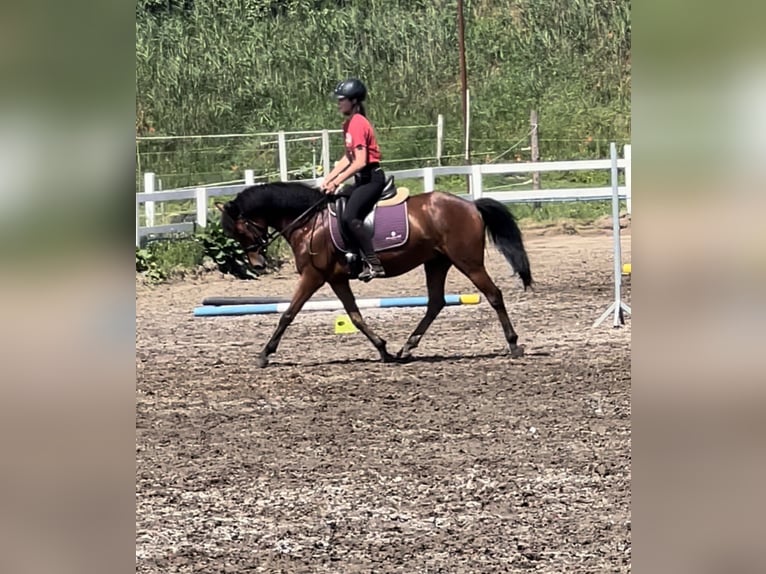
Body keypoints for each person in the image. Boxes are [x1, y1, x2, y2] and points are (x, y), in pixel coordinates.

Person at [322, 78, 386, 281]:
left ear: (354, 101)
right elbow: (348, 157)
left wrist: (337, 180)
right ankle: (352, 254)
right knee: (338, 200)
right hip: (361, 179)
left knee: (351, 217)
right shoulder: (348, 124)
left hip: (371, 179)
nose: (339, 103)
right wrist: (329, 178)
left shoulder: (358, 123)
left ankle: (374, 263)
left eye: (342, 99)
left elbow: (360, 161)